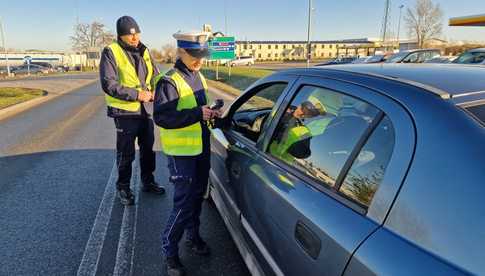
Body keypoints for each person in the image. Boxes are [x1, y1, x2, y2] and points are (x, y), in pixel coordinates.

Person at [153, 31, 220, 276]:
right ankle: (170, 251)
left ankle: (193, 237)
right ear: (180, 51)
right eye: (194, 55)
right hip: (182, 155)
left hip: (201, 149)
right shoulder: (169, 81)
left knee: (197, 197)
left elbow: (203, 105)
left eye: (202, 55)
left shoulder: (198, 75)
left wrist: (212, 112)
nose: (199, 60)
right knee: (183, 204)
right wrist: (197, 115)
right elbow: (162, 117)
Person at [100, 15, 165, 206]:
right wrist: (138, 94)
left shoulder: (145, 51)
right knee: (126, 152)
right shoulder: (111, 51)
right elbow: (109, 84)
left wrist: (157, 88)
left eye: (137, 33)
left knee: (148, 148)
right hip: (125, 112)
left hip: (146, 110)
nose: (135, 38)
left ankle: (148, 181)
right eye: (130, 35)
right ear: (121, 36)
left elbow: (155, 74)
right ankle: (123, 187)